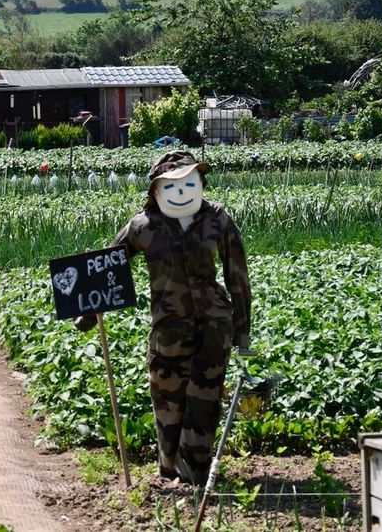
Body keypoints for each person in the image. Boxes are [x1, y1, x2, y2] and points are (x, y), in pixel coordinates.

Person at [76, 150, 251, 487]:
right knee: (167, 402)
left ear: (200, 182)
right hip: (168, 329)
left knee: (204, 403)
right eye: (170, 184)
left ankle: (192, 476)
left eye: (188, 182)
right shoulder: (143, 226)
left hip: (214, 328)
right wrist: (87, 312)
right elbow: (109, 267)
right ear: (155, 190)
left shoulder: (217, 219)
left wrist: (243, 331)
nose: (181, 190)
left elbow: (237, 277)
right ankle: (169, 470)